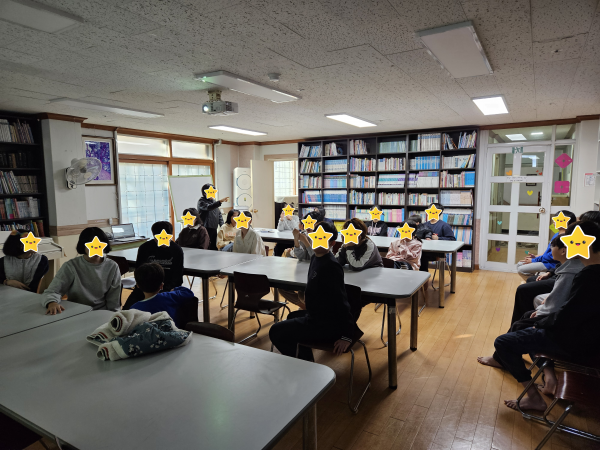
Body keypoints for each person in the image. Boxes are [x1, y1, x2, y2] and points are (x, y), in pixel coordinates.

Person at [492, 220, 600, 412]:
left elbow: (569, 317)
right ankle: (548, 377)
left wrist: (541, 323)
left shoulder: (589, 275)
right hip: (586, 336)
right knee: (527, 321)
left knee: (504, 341)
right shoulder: (589, 270)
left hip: (577, 342)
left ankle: (534, 398)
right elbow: (574, 310)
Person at [477, 232, 585, 390]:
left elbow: (557, 303)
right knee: (526, 317)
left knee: (522, 326)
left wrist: (540, 313)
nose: (551, 249)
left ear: (563, 250)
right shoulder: (572, 267)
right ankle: (548, 374)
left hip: (565, 331)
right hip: (565, 323)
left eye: (553, 247)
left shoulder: (571, 272)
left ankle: (507, 363)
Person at [269, 221, 356, 361]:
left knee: (275, 331)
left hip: (325, 324)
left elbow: (341, 302)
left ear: (332, 243)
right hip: (316, 316)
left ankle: (306, 364)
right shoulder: (315, 257)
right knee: (291, 317)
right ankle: (305, 359)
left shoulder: (331, 266)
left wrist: (347, 335)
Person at [43, 227, 121, 314]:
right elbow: (52, 291)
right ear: (83, 246)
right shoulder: (71, 266)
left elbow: (114, 300)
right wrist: (52, 302)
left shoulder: (112, 266)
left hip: (101, 312)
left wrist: (115, 316)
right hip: (76, 312)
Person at [123, 221, 184, 310]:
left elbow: (177, 277)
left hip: (166, 289)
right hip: (144, 288)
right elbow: (139, 271)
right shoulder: (145, 248)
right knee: (127, 311)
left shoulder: (176, 250)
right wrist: (145, 288)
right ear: (154, 236)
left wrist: (164, 289)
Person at [129, 263, 197, 329]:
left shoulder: (134, 309)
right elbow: (188, 293)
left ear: (137, 285)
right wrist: (174, 290)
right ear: (161, 286)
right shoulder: (170, 297)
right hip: (174, 334)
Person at [516, 210, 576, 281]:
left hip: (551, 264)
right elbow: (548, 251)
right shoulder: (556, 234)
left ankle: (534, 283)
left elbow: (552, 256)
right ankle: (533, 281)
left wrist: (534, 260)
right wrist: (536, 256)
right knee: (520, 264)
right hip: (546, 260)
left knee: (521, 269)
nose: (553, 222)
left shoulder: (565, 238)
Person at [278, 211, 322, 309]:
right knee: (281, 286)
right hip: (302, 270)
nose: (308, 227)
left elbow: (317, 259)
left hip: (317, 273)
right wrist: (296, 240)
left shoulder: (321, 238)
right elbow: (301, 256)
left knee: (306, 291)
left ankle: (308, 307)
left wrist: (306, 242)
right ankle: (305, 306)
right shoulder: (304, 234)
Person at [419, 204, 455, 275]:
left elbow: (452, 239)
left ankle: (423, 276)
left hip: (437, 252)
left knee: (422, 255)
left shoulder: (444, 225)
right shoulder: (424, 225)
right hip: (424, 249)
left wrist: (438, 238)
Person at [197, 183, 229, 250]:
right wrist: (220, 201)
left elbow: (219, 215)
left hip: (214, 228)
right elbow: (209, 207)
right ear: (204, 193)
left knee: (214, 246)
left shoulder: (214, 202)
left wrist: (222, 226)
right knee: (206, 245)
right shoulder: (201, 202)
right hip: (205, 228)